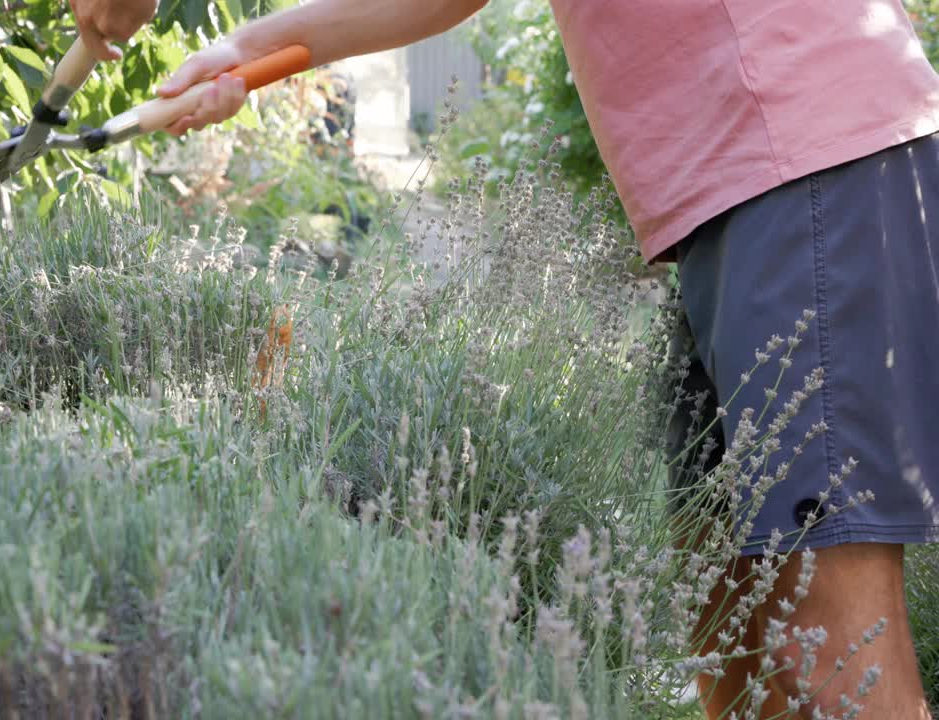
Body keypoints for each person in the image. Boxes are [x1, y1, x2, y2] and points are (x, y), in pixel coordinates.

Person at [128, 1, 939, 717]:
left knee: (831, 659)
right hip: (728, 201)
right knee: (730, 633)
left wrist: (244, 42)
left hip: (806, 154)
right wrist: (245, 47)